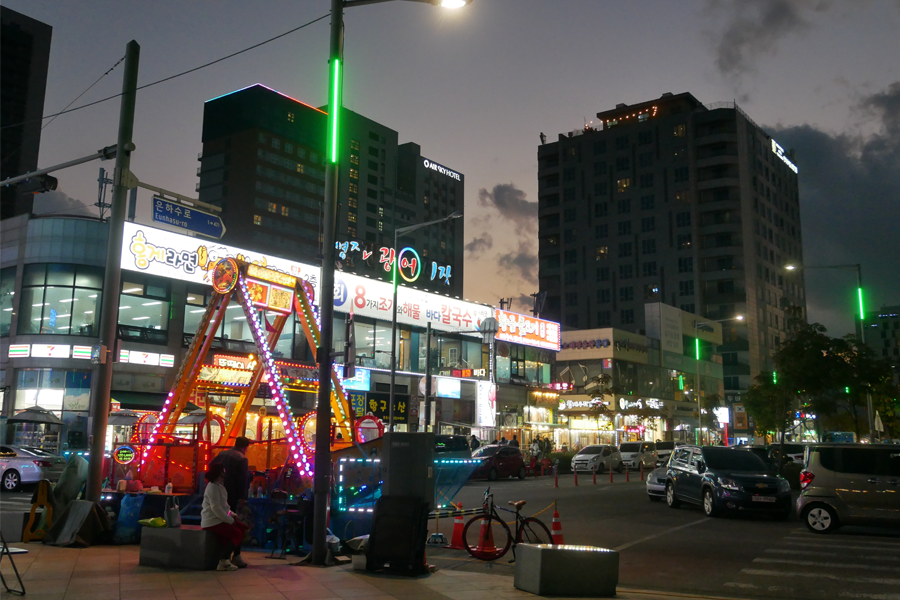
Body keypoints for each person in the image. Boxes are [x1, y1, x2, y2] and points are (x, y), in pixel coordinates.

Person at [208, 436, 250, 568]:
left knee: (229, 524)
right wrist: (243, 497)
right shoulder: (242, 458)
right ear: (245, 447)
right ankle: (234, 556)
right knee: (237, 525)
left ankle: (225, 555)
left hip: (221, 491)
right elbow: (243, 479)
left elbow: (211, 465)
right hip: (233, 494)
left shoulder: (222, 453)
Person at [202, 462, 248, 571]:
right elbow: (216, 508)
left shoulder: (219, 487)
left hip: (219, 519)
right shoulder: (213, 487)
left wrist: (232, 515)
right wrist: (229, 520)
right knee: (236, 533)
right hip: (212, 521)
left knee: (242, 528)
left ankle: (236, 556)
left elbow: (224, 506)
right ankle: (223, 560)